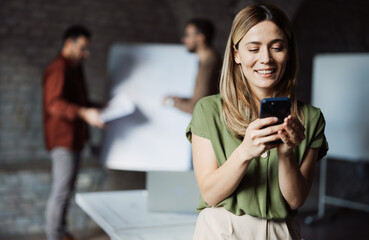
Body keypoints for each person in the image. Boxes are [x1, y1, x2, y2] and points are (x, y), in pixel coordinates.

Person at [186, 4, 328, 240]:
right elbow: (210, 194)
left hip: (282, 232)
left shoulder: (310, 118)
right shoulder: (208, 110)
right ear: (236, 54)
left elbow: (296, 200)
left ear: (288, 52)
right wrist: (245, 152)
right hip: (222, 230)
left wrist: (286, 154)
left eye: (277, 47)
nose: (266, 59)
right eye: (253, 48)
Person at [43, 25, 104, 240]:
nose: (85, 54)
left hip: (75, 139)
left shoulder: (75, 67)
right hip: (63, 140)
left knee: (65, 192)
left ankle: (60, 232)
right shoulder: (59, 68)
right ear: (69, 43)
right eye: (82, 48)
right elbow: (54, 104)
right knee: (60, 193)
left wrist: (98, 108)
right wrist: (83, 112)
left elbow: (79, 103)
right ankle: (54, 236)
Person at [164, 18, 222, 114]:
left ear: (200, 38)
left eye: (188, 35)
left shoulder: (208, 65)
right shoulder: (213, 59)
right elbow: (205, 99)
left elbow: (197, 108)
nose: (184, 40)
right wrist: (181, 100)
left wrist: (171, 102)